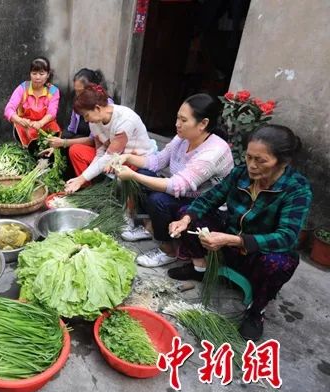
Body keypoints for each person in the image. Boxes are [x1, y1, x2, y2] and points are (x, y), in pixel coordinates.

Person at [168, 125, 312, 340]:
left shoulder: (296, 188)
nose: (252, 166)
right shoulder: (240, 174)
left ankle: (256, 311)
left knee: (280, 263)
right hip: (229, 240)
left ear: (283, 161)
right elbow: (210, 198)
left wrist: (234, 240)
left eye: (261, 160)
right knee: (188, 215)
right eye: (248, 157)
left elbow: (287, 236)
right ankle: (199, 269)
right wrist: (185, 219)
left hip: (258, 252)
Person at [110, 93, 234, 268]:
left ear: (203, 124)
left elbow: (176, 186)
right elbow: (157, 162)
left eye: (183, 120)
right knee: (144, 175)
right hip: (184, 192)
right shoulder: (181, 139)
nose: (177, 124)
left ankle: (167, 250)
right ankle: (149, 228)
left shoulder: (213, 152)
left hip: (206, 205)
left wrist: (133, 175)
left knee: (158, 200)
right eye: (177, 118)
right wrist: (127, 158)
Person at [64, 84, 157, 193]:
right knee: (77, 151)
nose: (85, 120)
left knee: (120, 184)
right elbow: (100, 153)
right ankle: (88, 188)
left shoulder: (125, 120)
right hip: (113, 156)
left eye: (86, 115)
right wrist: (82, 179)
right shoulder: (94, 122)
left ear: (97, 108)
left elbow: (110, 156)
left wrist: (81, 178)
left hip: (134, 159)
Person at [47, 68, 113, 150]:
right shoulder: (78, 101)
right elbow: (71, 128)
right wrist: (59, 142)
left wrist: (64, 142)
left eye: (80, 91)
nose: (77, 95)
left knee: (74, 148)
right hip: (81, 138)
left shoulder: (104, 104)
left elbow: (94, 139)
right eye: (76, 91)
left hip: (99, 144)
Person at [4, 56, 61, 148]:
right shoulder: (23, 88)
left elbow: (52, 112)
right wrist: (19, 120)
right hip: (26, 126)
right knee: (26, 138)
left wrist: (40, 123)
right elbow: (8, 109)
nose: (37, 77)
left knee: (53, 132)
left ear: (48, 75)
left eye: (41, 74)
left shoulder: (53, 91)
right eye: (34, 73)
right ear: (30, 74)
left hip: (45, 125)